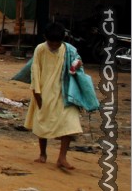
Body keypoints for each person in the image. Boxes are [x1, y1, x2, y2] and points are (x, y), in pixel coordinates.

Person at [23, 21, 95, 171]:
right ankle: (43, 154)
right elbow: (35, 70)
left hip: (65, 92)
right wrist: (36, 92)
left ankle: (62, 157)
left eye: (57, 43)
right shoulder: (40, 49)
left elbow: (77, 61)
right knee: (42, 121)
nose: (54, 46)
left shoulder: (69, 50)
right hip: (44, 91)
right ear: (45, 38)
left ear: (62, 40)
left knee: (69, 123)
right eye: (51, 43)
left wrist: (77, 65)